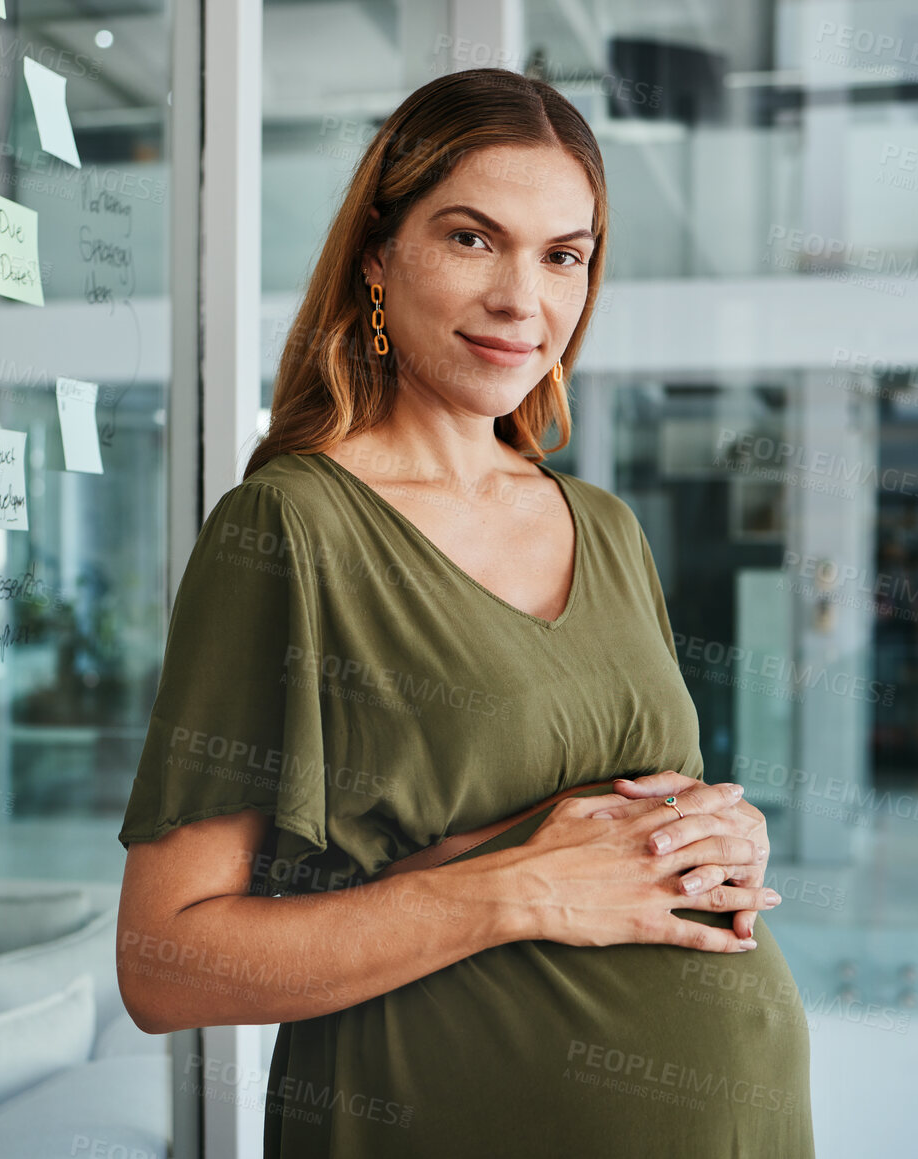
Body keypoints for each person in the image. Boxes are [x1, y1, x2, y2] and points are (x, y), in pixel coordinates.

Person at [116, 67, 815, 1157]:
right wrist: (522, 889)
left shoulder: (607, 526)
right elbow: (164, 965)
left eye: (563, 255)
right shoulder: (290, 530)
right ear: (377, 258)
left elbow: (617, 806)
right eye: (473, 239)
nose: (521, 301)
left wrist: (722, 829)